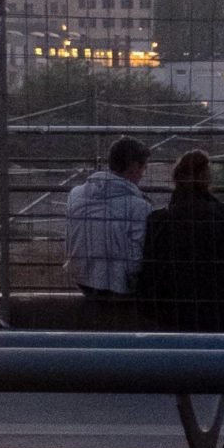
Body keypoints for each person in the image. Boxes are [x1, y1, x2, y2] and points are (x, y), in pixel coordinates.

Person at [137, 149, 224, 331]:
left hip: (171, 308)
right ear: (204, 178)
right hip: (220, 305)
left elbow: (150, 264)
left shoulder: (158, 220)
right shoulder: (220, 214)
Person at [64, 136, 155, 329]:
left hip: (82, 279)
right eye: (143, 168)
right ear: (133, 167)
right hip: (116, 285)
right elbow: (135, 260)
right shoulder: (139, 207)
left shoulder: (76, 195)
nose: (142, 174)